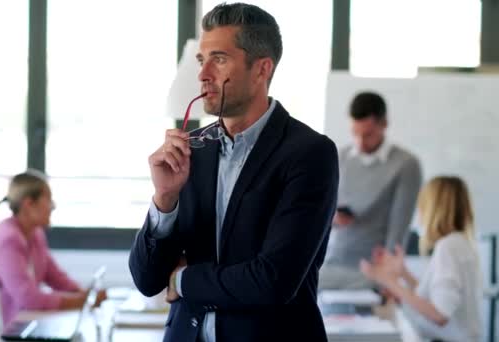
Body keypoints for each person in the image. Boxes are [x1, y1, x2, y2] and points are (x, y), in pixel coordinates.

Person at [129, 3, 339, 342]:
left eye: (219, 59)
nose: (203, 74)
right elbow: (146, 280)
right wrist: (165, 199)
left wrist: (182, 280)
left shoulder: (310, 153)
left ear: (261, 69)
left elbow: (272, 280)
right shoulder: (190, 149)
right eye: (201, 60)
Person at [0, 170, 105, 342]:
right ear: (29, 204)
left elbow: (55, 277)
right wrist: (84, 301)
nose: (53, 206)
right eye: (48, 200)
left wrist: (85, 293)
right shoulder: (7, 240)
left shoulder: (34, 234)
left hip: (10, 329)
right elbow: (30, 299)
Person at [319, 91, 422, 289]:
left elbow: (398, 230)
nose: (360, 142)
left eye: (368, 135)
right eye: (355, 134)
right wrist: (334, 217)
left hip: (372, 271)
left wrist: (389, 281)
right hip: (331, 263)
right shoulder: (341, 157)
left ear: (384, 124)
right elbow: (321, 212)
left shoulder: (405, 165)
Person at [360, 176, 482, 342]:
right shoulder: (460, 243)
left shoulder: (448, 247)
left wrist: (389, 282)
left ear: (433, 208)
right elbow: (439, 296)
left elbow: (440, 314)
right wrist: (403, 274)